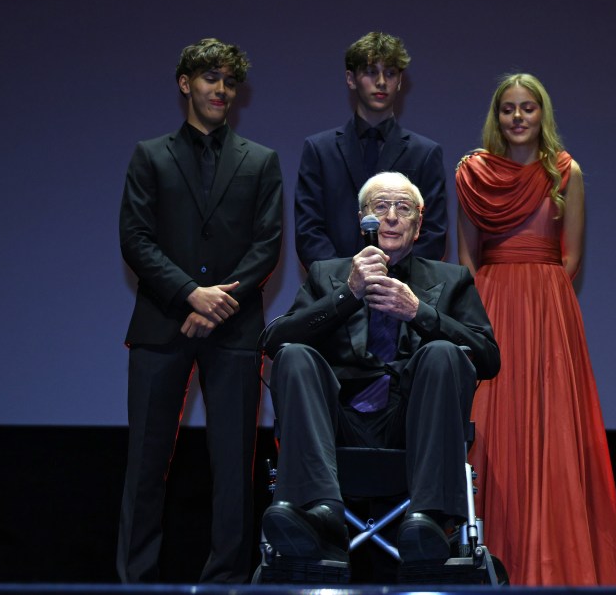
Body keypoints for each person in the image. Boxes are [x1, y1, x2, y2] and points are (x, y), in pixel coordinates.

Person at [259, 171, 500, 572]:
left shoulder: (451, 279)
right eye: (380, 207)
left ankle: (433, 517)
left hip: (412, 424)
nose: (390, 217)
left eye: (402, 208)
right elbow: (274, 339)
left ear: (418, 224)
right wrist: (346, 295)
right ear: (362, 220)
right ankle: (317, 512)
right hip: (338, 423)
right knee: (295, 355)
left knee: (443, 352)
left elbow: (488, 358)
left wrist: (421, 313)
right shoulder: (327, 274)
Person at [455, 73, 616, 586]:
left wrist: (541, 299)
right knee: (492, 426)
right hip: (490, 304)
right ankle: (491, 556)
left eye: (527, 108)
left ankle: (553, 561)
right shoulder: (473, 172)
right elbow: (466, 256)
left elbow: (571, 257)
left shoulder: (565, 171)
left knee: (551, 424)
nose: (517, 117)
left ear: (542, 114)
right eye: (508, 108)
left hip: (548, 306)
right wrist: (480, 308)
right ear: (497, 115)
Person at [117, 38, 284, 584]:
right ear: (185, 83)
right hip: (162, 326)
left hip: (233, 329)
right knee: (145, 464)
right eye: (210, 78)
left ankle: (226, 582)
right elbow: (136, 239)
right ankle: (136, 581)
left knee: (233, 466)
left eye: (229, 81)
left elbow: (267, 244)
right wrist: (191, 294)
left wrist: (218, 303)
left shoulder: (261, 160)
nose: (221, 90)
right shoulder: (150, 155)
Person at [294, 31, 447, 270]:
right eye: (370, 72)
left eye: (390, 73)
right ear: (351, 78)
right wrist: (345, 281)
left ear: (400, 81)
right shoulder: (319, 150)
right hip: (335, 290)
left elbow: (432, 234)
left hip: (403, 290)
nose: (381, 82)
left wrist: (390, 281)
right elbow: (309, 231)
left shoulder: (425, 153)